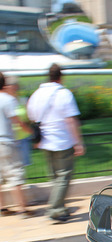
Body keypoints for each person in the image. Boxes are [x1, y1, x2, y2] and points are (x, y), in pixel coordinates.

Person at [27, 64, 85, 222]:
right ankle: (56, 209)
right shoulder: (64, 93)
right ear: (61, 77)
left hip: (45, 140)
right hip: (62, 140)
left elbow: (31, 115)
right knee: (64, 176)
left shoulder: (37, 94)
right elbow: (71, 120)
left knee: (55, 176)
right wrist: (78, 142)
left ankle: (60, 206)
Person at [0, 72, 34, 218]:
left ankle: (2, 209)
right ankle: (22, 209)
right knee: (15, 175)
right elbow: (17, 122)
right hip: (6, 141)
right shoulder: (8, 100)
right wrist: (31, 131)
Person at [4, 75, 31, 167]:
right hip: (9, 138)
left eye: (15, 84)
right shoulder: (4, 100)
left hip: (22, 137)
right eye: (11, 84)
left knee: (21, 166)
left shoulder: (22, 100)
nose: (14, 87)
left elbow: (28, 117)